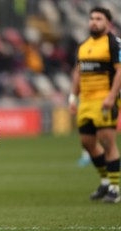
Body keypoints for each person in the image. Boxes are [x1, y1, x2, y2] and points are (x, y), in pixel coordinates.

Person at [69, 6, 121, 203]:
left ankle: (115, 189)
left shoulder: (114, 44)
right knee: (88, 143)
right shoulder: (84, 46)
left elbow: (119, 71)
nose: (93, 22)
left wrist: (112, 96)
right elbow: (77, 73)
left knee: (107, 141)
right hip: (86, 101)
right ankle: (105, 181)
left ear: (108, 23)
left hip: (104, 99)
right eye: (91, 18)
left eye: (98, 18)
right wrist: (73, 98)